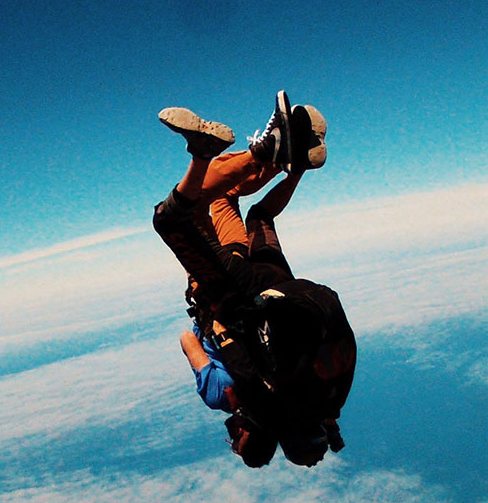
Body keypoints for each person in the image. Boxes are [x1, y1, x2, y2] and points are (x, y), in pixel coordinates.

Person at [151, 94, 356, 467]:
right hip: (230, 289)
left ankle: (293, 165)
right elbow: (189, 340)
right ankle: (213, 152)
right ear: (252, 431)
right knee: (174, 218)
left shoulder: (328, 399)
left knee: (253, 213)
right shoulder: (232, 396)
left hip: (281, 283)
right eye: (237, 438)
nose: (231, 434)